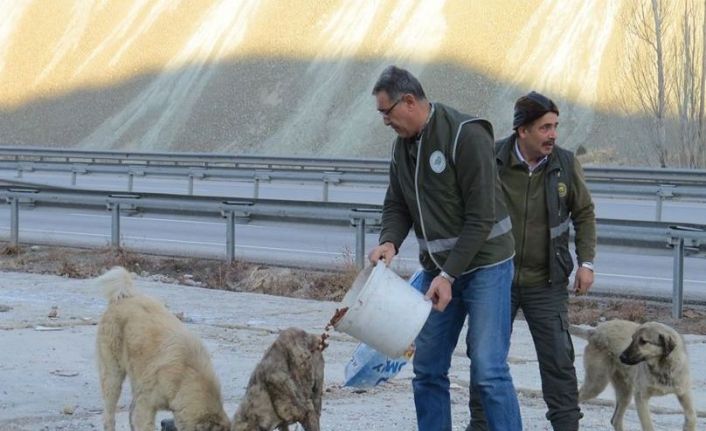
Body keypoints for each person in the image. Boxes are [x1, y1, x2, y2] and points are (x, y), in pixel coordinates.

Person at [367, 65, 522, 431]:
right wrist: (389, 241)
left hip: (486, 267)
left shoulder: (466, 135)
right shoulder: (402, 148)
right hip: (440, 273)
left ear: (408, 101)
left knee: (488, 369)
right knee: (427, 369)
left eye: (386, 113)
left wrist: (449, 275)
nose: (385, 121)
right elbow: (397, 204)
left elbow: (482, 217)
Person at [468, 91, 597, 431]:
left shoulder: (566, 164)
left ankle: (567, 426)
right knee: (486, 360)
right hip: (497, 280)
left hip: (547, 281)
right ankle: (480, 425)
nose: (553, 134)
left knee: (558, 361)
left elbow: (584, 214)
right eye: (544, 128)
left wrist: (586, 262)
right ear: (522, 131)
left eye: (555, 126)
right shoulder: (491, 158)